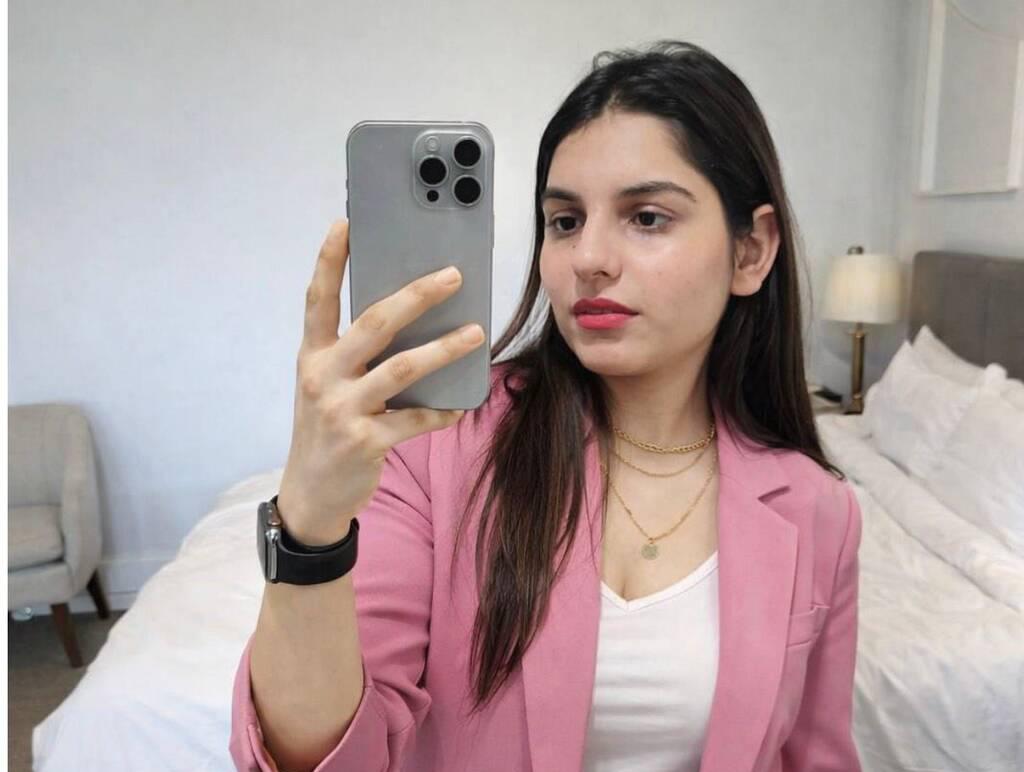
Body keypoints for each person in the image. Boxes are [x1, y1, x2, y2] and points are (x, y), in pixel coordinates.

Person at [230, 39, 863, 772]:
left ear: (750, 252)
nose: (587, 258)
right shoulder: (437, 447)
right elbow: (325, 757)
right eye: (564, 220)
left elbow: (816, 757)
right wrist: (309, 529)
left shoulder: (817, 510)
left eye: (647, 217)